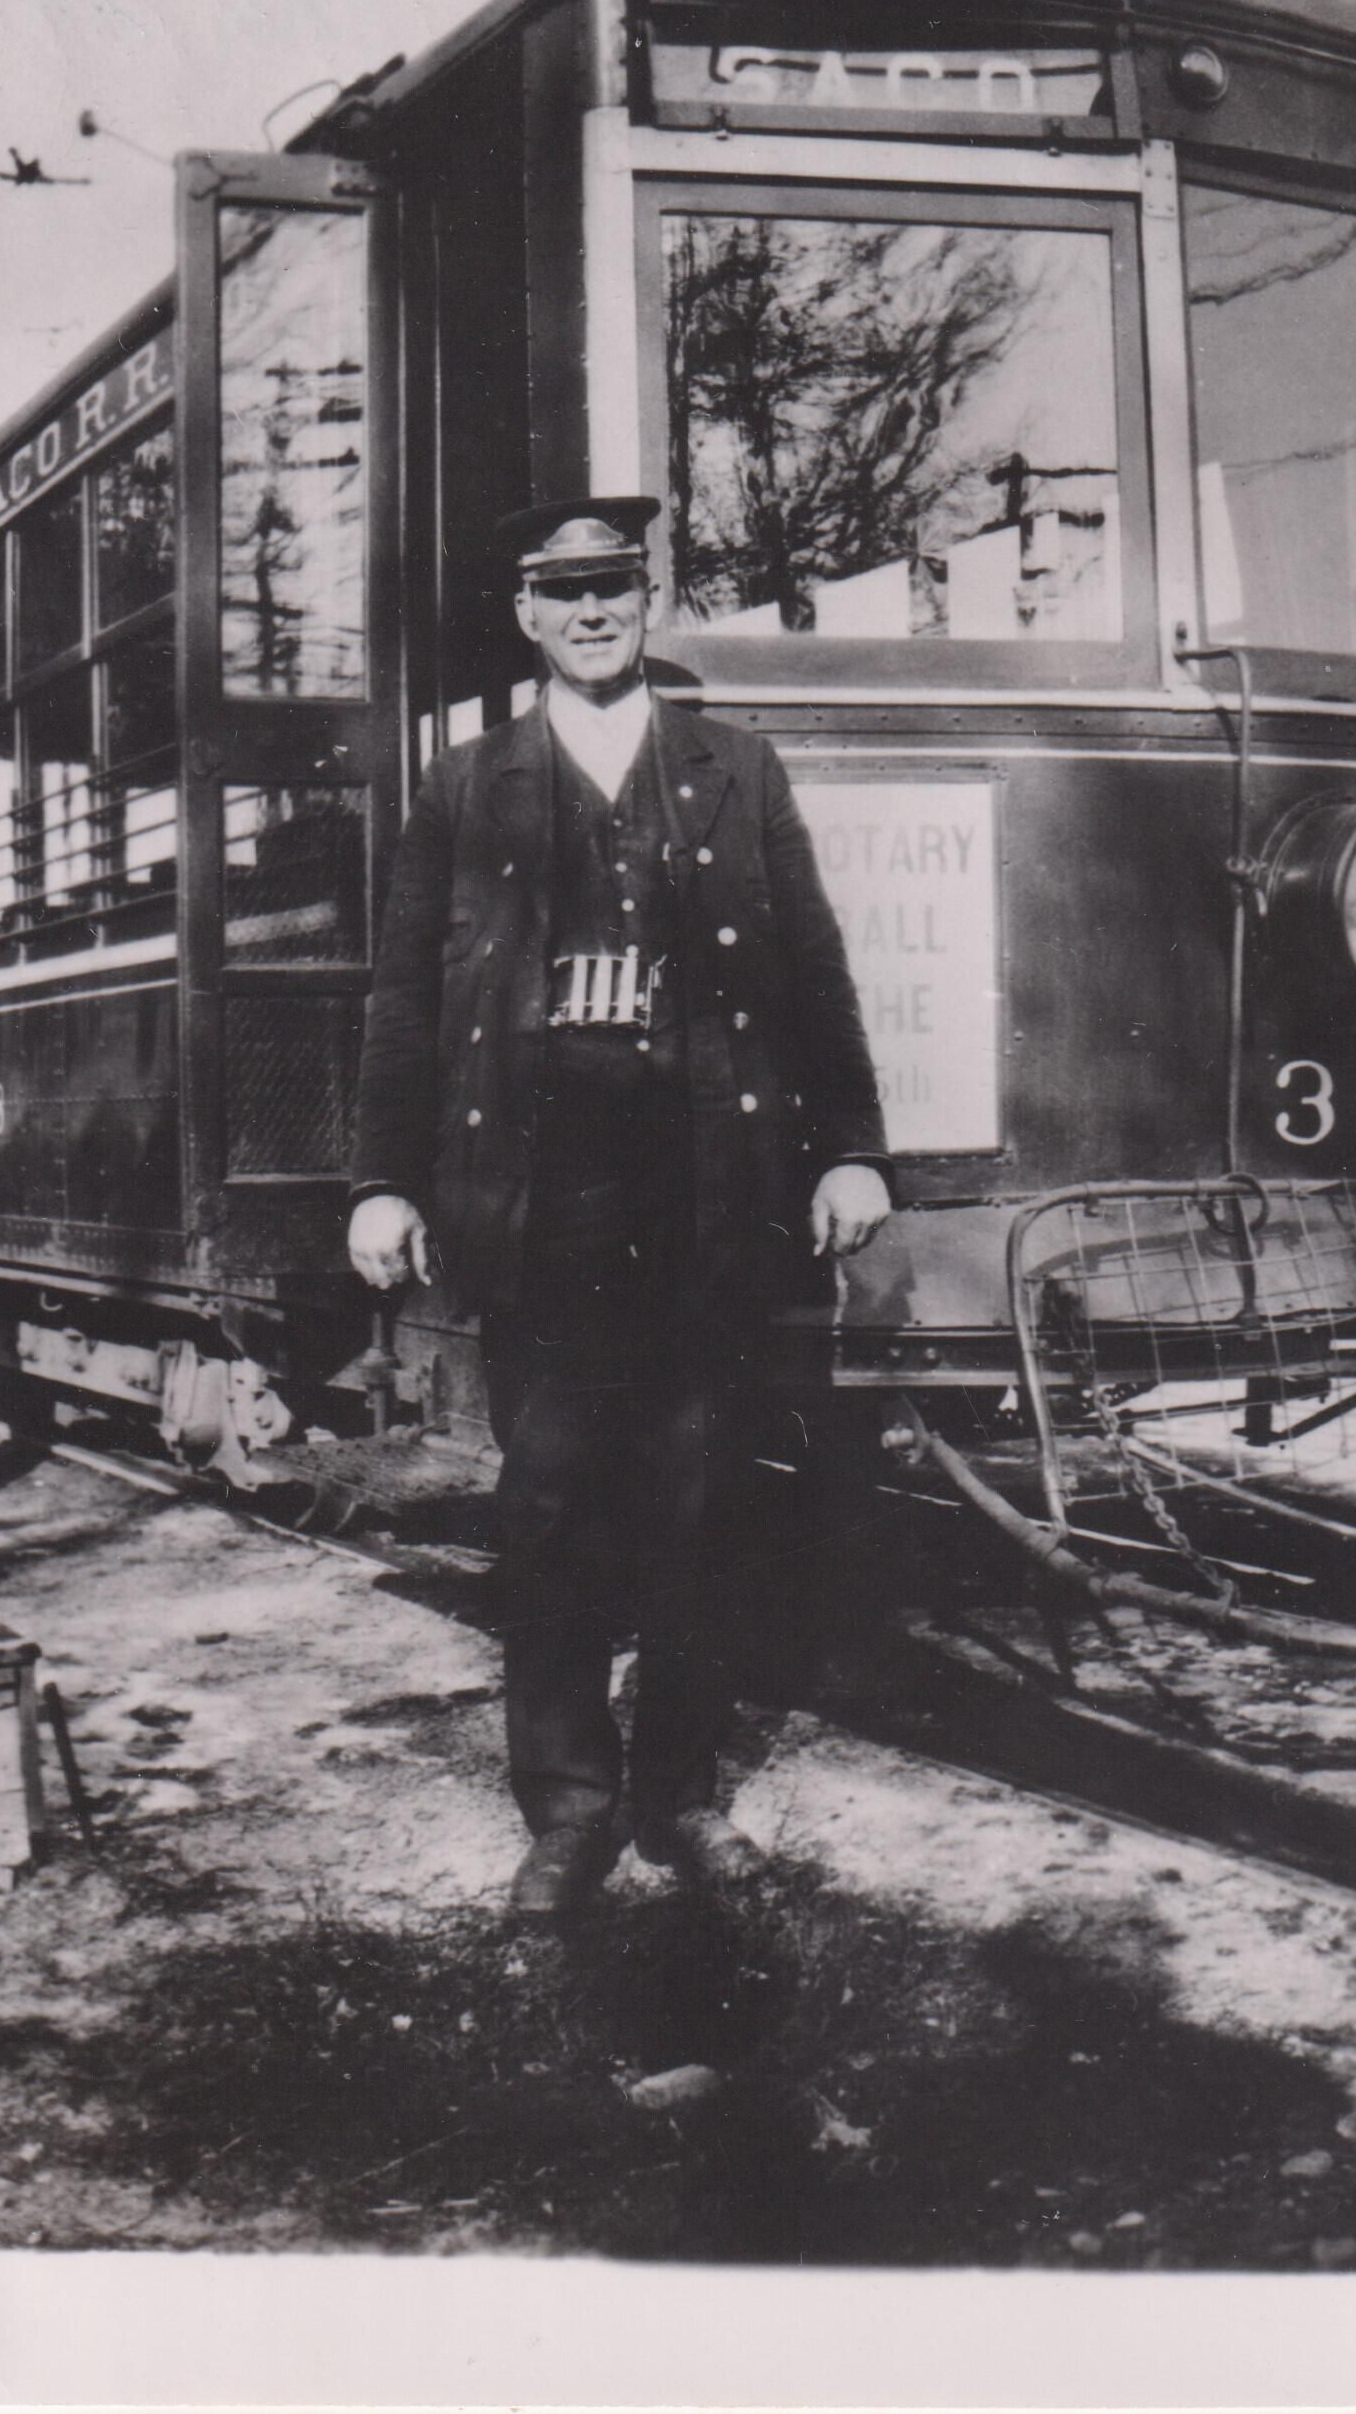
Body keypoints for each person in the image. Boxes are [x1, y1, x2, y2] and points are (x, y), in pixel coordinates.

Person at [347, 497, 890, 1916]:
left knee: (701, 1506)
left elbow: (813, 974)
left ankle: (683, 1799)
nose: (590, 612)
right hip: (542, 1205)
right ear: (525, 612)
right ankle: (569, 1812)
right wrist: (383, 1179)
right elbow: (402, 1001)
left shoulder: (734, 768)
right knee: (549, 1509)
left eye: (613, 588)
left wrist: (851, 1150)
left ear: (647, 603)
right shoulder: (465, 787)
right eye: (562, 589)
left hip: (706, 1194)